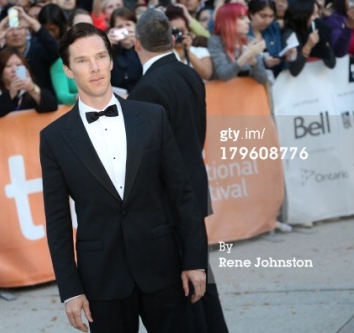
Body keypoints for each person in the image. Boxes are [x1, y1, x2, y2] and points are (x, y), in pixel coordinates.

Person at [40, 22, 208, 333]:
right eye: (82, 60)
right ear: (67, 70)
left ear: (111, 60)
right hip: (101, 280)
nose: (94, 67)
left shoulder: (151, 117)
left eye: (101, 56)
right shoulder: (54, 138)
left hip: (164, 268)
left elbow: (182, 193)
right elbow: (58, 220)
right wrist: (71, 289)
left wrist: (195, 259)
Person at [128, 9, 228, 333]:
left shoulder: (145, 90)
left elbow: (150, 159)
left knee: (187, 285)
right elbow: (198, 133)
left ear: (136, 43)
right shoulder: (189, 74)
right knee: (202, 281)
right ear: (172, 39)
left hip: (169, 204)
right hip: (192, 190)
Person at [0, 5, 59, 97]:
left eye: (20, 27)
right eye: (10, 29)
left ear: (26, 29)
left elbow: (56, 51)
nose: (15, 33)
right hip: (12, 107)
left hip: (42, 104)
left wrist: (33, 23)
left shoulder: (39, 49)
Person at [0, 46, 57, 117]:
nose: (14, 69)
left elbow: (52, 106)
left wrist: (32, 89)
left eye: (18, 65)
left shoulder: (31, 86)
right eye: (8, 66)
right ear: (0, 72)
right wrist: (11, 94)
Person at [207, 2, 269, 84]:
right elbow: (223, 75)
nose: (248, 21)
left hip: (248, 94)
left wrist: (254, 62)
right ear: (228, 21)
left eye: (247, 17)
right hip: (223, 93)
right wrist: (245, 56)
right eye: (242, 18)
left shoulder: (250, 40)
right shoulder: (215, 41)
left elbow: (263, 79)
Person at [283, 0, 336, 76]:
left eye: (317, 13)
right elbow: (294, 71)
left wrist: (324, 42)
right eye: (313, 14)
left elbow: (331, 63)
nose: (317, 17)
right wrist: (308, 47)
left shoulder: (315, 30)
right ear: (302, 15)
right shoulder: (289, 34)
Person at [165, 4, 213, 81]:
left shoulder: (201, 51)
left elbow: (207, 75)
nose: (178, 34)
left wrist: (188, 52)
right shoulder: (164, 55)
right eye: (174, 31)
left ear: (189, 31)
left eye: (182, 30)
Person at [108, 7, 143, 92]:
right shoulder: (109, 50)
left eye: (128, 25)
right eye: (120, 27)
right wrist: (106, 46)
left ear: (135, 26)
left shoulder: (144, 47)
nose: (125, 30)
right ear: (113, 30)